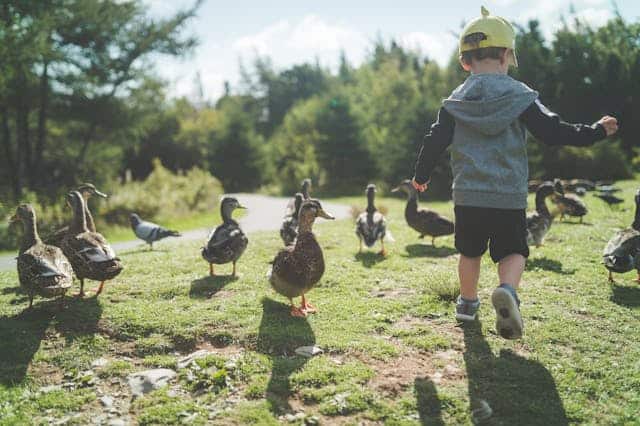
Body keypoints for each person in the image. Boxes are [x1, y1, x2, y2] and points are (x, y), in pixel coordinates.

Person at [411, 6, 618, 339]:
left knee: (469, 251)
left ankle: (466, 303)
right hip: (507, 195)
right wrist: (594, 131)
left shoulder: (454, 102)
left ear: (465, 62)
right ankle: (507, 289)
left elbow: (434, 140)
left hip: (468, 196)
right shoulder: (521, 97)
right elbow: (553, 132)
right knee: (513, 250)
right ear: (507, 55)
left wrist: (421, 176)